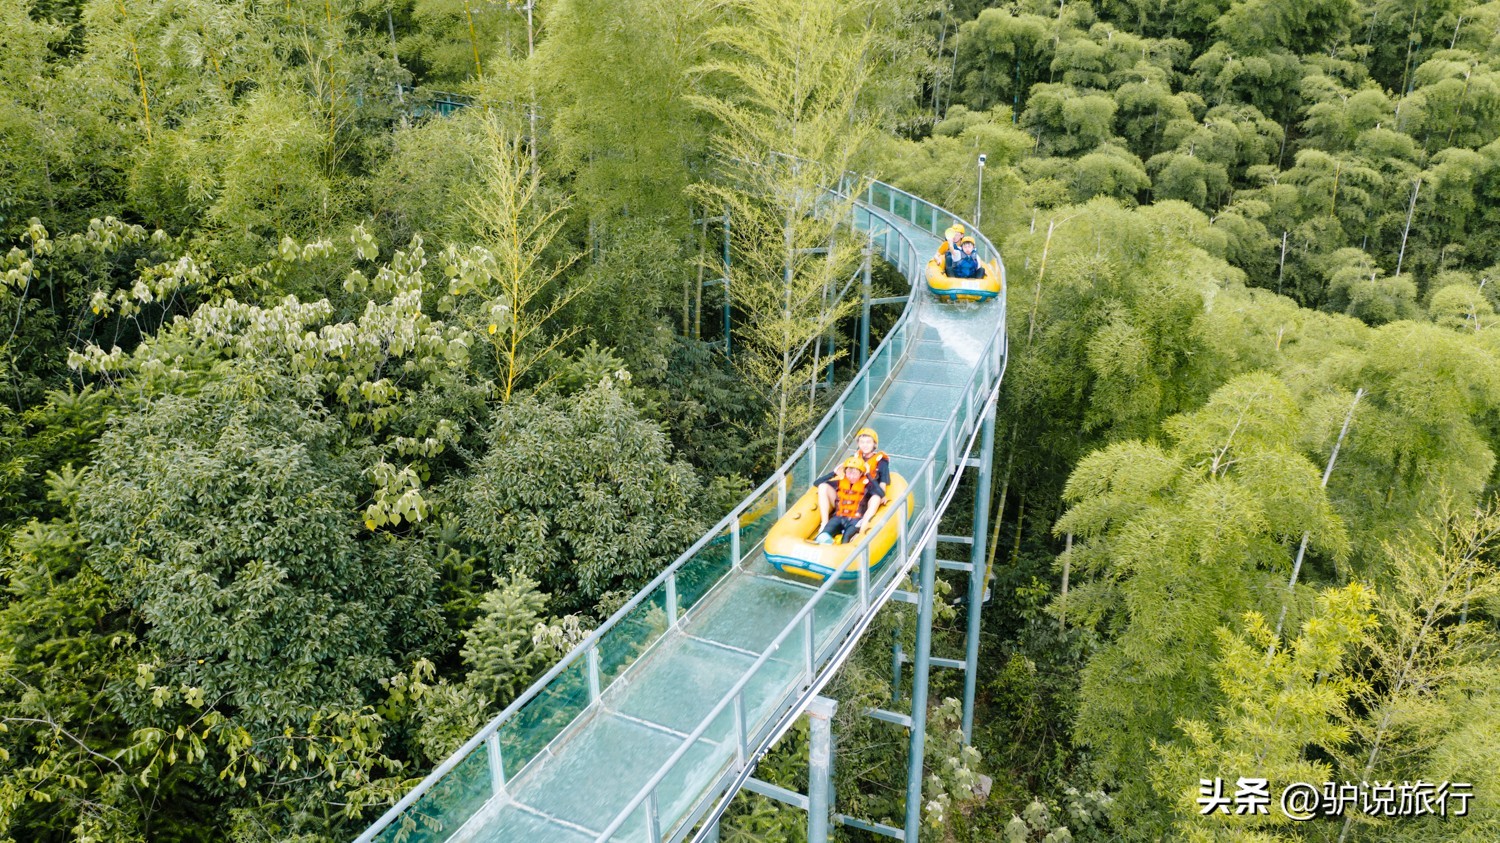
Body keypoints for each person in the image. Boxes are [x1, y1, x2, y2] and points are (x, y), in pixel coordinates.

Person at [815, 426, 890, 535]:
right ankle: (825, 522)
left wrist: (882, 495)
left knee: (876, 498)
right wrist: (835, 473)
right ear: (858, 444)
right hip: (850, 491)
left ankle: (862, 529)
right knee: (823, 487)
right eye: (862, 442)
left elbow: (883, 482)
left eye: (868, 442)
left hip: (870, 491)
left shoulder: (881, 462)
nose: (865, 445)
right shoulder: (853, 458)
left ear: (874, 444)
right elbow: (843, 476)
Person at [815, 456, 876, 545]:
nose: (851, 476)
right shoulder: (840, 482)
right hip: (839, 517)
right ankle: (829, 543)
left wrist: (868, 475)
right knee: (821, 537)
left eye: (855, 473)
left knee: (845, 540)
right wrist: (834, 473)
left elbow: (880, 493)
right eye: (848, 473)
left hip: (855, 519)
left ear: (861, 473)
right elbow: (817, 483)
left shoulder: (867, 486)